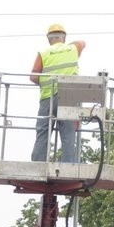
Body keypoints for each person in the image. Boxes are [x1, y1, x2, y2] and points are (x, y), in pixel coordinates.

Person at [30, 23, 86, 163]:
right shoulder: (73, 49)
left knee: (43, 132)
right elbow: (82, 43)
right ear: (64, 37)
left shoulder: (43, 53)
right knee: (68, 133)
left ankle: (38, 163)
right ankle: (68, 164)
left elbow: (33, 77)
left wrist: (46, 80)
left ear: (49, 39)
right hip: (68, 97)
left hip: (47, 98)